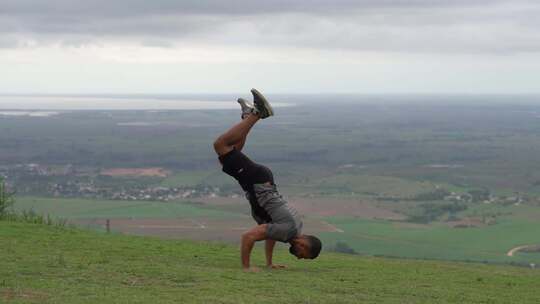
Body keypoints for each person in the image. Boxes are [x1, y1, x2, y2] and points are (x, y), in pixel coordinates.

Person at [213, 88, 322, 271]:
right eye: (302, 255)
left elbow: (271, 234)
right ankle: (257, 114)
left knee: (232, 154)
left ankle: (247, 116)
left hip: (262, 181)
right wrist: (246, 268)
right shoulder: (288, 231)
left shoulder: (293, 229)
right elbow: (248, 237)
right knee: (221, 146)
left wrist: (269, 264)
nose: (298, 257)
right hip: (257, 182)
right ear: (304, 244)